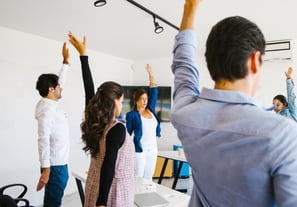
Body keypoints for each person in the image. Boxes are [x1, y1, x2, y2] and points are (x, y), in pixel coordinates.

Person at [170, 0, 297, 206]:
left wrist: (190, 6)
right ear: (255, 61)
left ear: (210, 61)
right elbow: (183, 62)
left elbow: (182, 65)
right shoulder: (282, 135)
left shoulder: (184, 114)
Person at [68, 32, 135, 207]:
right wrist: (102, 203)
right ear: (113, 102)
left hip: (93, 184)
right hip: (114, 192)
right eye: (120, 101)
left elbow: (89, 90)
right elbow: (108, 166)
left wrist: (83, 56)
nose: (121, 105)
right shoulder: (116, 128)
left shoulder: (96, 122)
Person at [35, 42, 70, 207]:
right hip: (54, 167)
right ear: (51, 89)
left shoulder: (51, 103)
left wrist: (65, 62)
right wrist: (46, 169)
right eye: (58, 87)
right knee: (52, 203)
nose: (61, 88)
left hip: (61, 164)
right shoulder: (46, 109)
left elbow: (60, 81)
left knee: (55, 201)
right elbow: (42, 138)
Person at [125, 64, 161, 181]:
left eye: (146, 98)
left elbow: (154, 92)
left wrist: (150, 74)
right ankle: (134, 198)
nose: (145, 101)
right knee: (138, 178)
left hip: (153, 149)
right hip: (140, 150)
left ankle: (147, 197)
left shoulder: (150, 110)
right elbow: (127, 135)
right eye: (142, 99)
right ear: (136, 100)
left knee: (149, 178)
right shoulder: (132, 115)